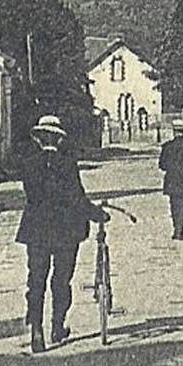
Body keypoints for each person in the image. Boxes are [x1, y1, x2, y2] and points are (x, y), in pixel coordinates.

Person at [15, 115, 109, 353]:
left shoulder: (28, 163)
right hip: (65, 229)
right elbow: (76, 197)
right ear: (58, 139)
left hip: (36, 229)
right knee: (61, 280)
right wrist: (96, 213)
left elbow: (33, 195)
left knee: (36, 281)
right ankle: (57, 326)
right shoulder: (67, 163)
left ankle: (36, 331)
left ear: (39, 139)